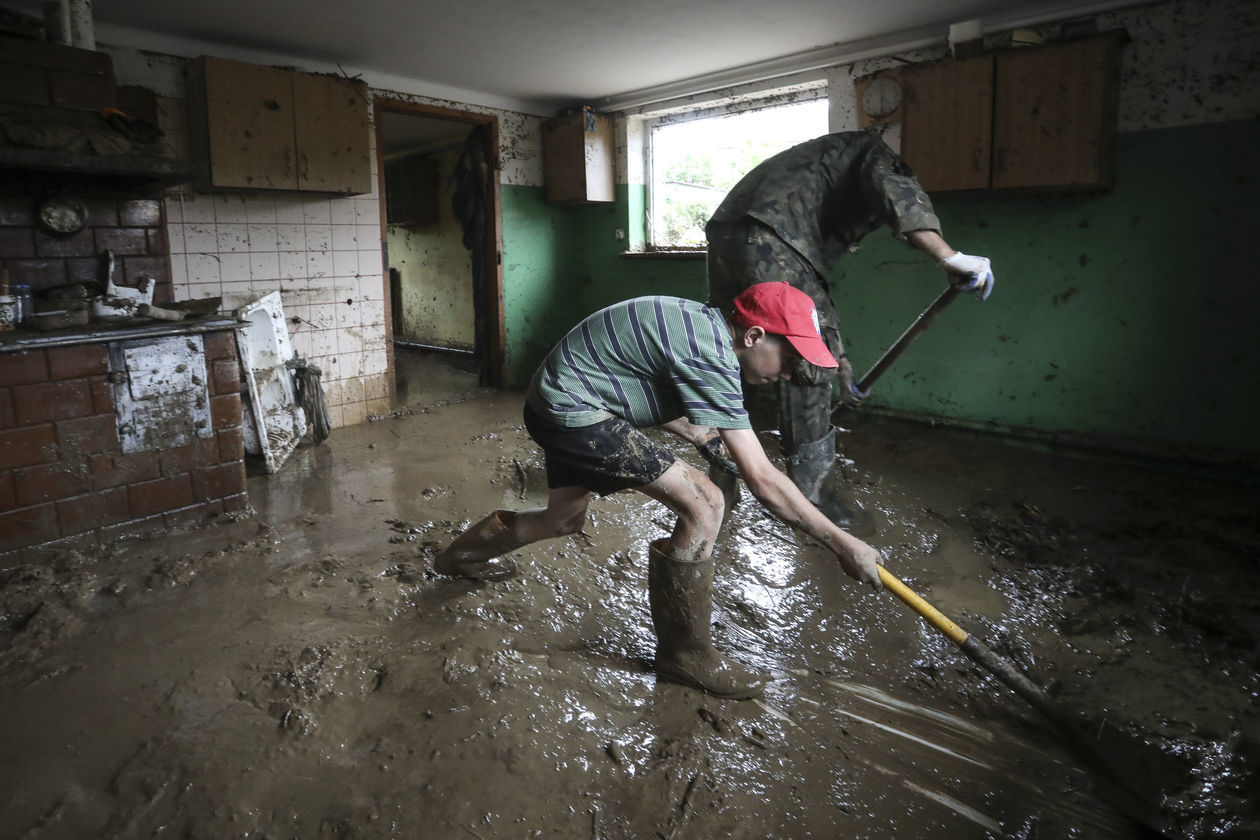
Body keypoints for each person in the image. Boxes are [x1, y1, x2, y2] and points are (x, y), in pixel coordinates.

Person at [432, 283, 884, 701]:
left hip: (558, 397)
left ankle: (462, 556)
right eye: (787, 356)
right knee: (706, 502)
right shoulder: (713, 355)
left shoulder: (697, 323)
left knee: (563, 520)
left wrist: (699, 434)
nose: (788, 373)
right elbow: (764, 481)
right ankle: (685, 657)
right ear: (754, 336)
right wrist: (841, 543)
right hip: (573, 410)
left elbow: (632, 373)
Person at [706, 130, 996, 532]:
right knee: (798, 357)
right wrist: (951, 257)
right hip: (771, 233)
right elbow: (901, 198)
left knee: (735, 347)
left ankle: (720, 479)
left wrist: (839, 361)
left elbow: (813, 304)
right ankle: (815, 497)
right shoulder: (876, 153)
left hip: (726, 233)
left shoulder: (827, 170)